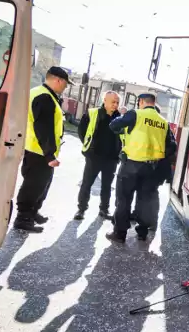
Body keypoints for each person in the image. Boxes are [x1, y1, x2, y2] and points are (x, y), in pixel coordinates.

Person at [106, 93, 177, 243]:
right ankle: (142, 233)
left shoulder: (136, 114)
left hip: (131, 165)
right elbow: (171, 146)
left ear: (141, 102)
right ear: (154, 102)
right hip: (151, 168)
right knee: (145, 201)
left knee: (123, 199)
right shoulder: (163, 122)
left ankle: (120, 234)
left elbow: (113, 125)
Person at [13, 66, 71, 233]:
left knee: (42, 184)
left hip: (38, 150)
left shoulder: (43, 94)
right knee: (33, 185)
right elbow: (43, 128)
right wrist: (49, 155)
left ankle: (32, 212)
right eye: (65, 84)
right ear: (58, 80)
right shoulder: (44, 97)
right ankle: (23, 218)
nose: (65, 88)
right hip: (39, 151)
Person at [74, 91, 122, 220]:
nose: (115, 105)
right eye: (113, 102)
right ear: (105, 100)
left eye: (117, 102)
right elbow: (81, 130)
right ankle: (81, 209)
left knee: (107, 186)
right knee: (87, 183)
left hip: (111, 159)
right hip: (94, 156)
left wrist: (118, 155)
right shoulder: (92, 113)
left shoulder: (120, 118)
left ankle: (104, 210)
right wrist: (88, 147)